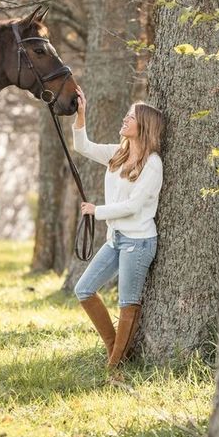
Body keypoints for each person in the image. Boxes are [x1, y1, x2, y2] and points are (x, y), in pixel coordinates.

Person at [73, 86, 164, 368]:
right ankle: (115, 350)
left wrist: (96, 211)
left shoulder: (153, 164)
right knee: (84, 289)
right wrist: (81, 114)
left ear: (143, 126)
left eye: (130, 117)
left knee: (128, 301)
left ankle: (114, 366)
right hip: (116, 240)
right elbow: (82, 146)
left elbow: (134, 206)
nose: (124, 120)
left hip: (138, 242)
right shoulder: (117, 155)